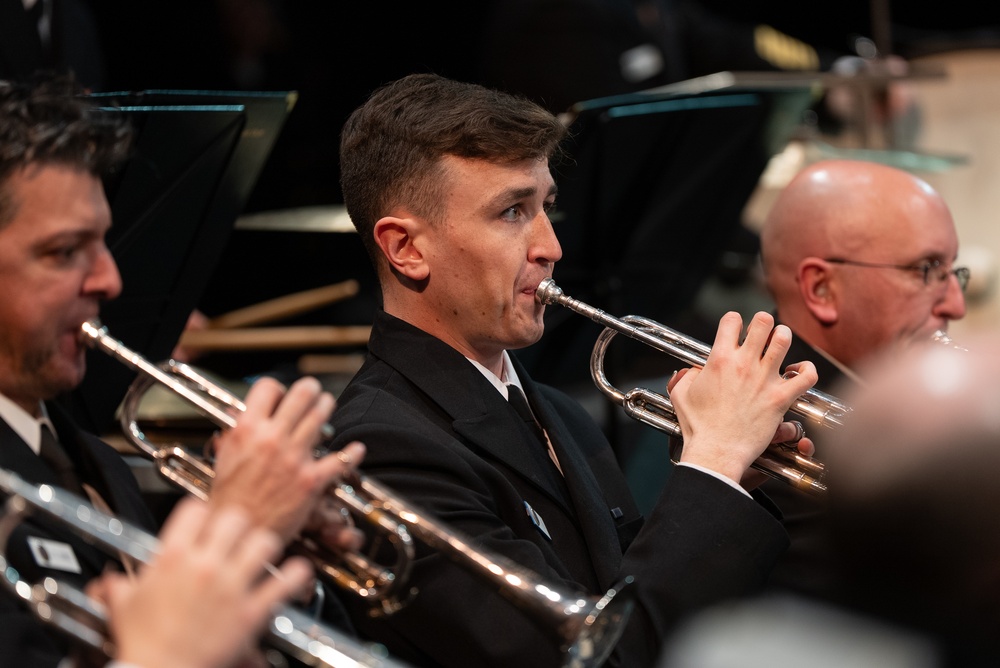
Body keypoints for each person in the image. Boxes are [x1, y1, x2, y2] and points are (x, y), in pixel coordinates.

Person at [328, 72, 818, 667]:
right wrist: (711, 465)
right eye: (512, 212)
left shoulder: (558, 411)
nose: (551, 246)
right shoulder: (381, 448)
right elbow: (585, 658)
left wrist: (734, 477)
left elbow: (629, 601)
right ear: (406, 248)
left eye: (546, 208)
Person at [0, 74, 363, 665]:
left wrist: (271, 553)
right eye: (64, 252)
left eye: (103, 244)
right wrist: (236, 527)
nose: (110, 280)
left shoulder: (100, 465)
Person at [659, 331, 1000, 667]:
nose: (955, 304)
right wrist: (717, 466)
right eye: (924, 272)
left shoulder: (720, 651)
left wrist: (716, 470)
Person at [756, 158, 969, 598]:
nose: (956, 305)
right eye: (927, 270)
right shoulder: (773, 432)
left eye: (954, 271)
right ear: (822, 289)